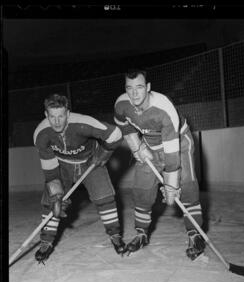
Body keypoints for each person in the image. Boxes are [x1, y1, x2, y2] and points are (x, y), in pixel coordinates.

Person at [114, 69, 205, 260]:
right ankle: (141, 233)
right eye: (129, 88)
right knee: (141, 188)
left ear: (147, 87)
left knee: (186, 185)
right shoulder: (122, 104)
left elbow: (172, 154)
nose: (134, 94)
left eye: (139, 87)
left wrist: (171, 184)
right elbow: (121, 122)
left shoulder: (164, 109)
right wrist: (135, 144)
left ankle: (194, 233)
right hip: (149, 144)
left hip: (178, 143)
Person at [33, 94, 126, 264]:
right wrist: (56, 194)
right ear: (46, 115)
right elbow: (50, 169)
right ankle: (46, 242)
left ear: (68, 113)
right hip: (62, 165)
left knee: (104, 196)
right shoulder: (41, 134)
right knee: (51, 202)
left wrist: (103, 153)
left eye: (61, 116)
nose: (57, 122)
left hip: (90, 161)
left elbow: (116, 134)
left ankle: (115, 236)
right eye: (52, 117)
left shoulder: (83, 123)